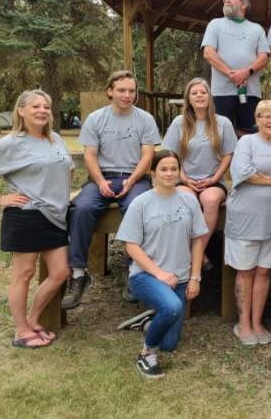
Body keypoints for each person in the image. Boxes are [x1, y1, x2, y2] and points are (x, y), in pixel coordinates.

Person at [0, 90, 72, 348]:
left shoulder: (55, 138)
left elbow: (64, 171)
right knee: (24, 274)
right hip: (26, 215)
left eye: (46, 107)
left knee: (60, 272)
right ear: (21, 111)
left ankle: (33, 320)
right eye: (36, 106)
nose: (42, 111)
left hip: (56, 216)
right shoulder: (12, 143)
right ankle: (21, 331)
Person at [63, 70, 161, 310]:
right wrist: (100, 182)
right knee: (81, 208)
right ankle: (78, 274)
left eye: (131, 91)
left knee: (138, 209)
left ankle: (135, 272)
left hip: (135, 178)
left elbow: (148, 155)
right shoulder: (96, 119)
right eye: (121, 90)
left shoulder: (145, 119)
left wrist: (131, 181)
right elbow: (90, 155)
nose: (127, 95)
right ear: (110, 91)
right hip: (102, 177)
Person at [116, 150, 207, 378]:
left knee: (170, 343)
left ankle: (150, 320)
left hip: (180, 278)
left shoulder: (189, 201)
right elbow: (131, 246)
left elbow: (197, 240)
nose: (169, 173)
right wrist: (158, 273)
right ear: (153, 172)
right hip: (146, 276)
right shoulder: (141, 203)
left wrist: (195, 277)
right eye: (163, 169)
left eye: (174, 169)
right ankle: (147, 354)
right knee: (172, 308)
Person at [225, 100, 271, 345]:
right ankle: (243, 323)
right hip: (246, 217)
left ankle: (257, 321)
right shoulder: (246, 142)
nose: (270, 121)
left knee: (265, 271)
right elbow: (245, 174)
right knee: (245, 271)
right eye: (265, 116)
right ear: (256, 120)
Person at [162, 78, 238, 271]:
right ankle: (200, 258)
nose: (199, 96)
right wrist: (184, 178)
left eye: (203, 92)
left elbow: (229, 154)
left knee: (211, 200)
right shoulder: (180, 123)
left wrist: (214, 178)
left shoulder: (223, 123)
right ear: (188, 98)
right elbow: (171, 154)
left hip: (213, 179)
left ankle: (193, 255)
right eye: (194, 93)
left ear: (209, 96)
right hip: (185, 179)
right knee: (188, 200)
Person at [201, 0, 270, 136]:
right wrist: (231, 74)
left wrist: (246, 72)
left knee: (249, 132)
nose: (227, 0)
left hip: (249, 92)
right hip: (221, 92)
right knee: (220, 133)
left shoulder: (257, 29)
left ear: (244, 4)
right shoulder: (215, 24)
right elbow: (208, 53)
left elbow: (264, 58)